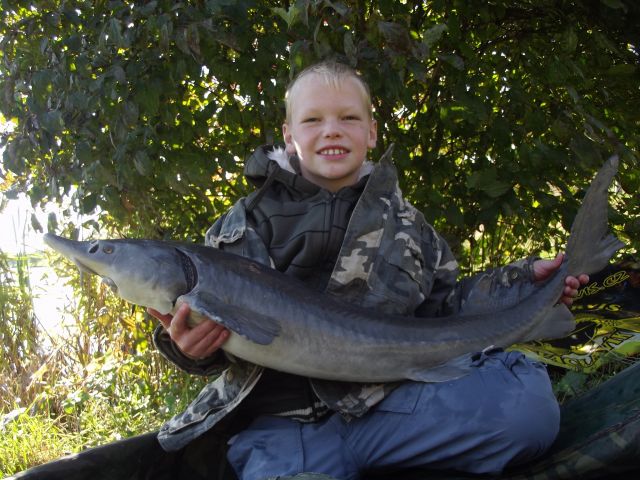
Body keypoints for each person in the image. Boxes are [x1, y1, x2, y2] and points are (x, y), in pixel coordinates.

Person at [148, 60, 589, 480]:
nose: (332, 131)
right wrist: (188, 349)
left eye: (349, 118)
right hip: (282, 429)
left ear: (372, 132)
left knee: (527, 410)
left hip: (393, 409)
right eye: (312, 120)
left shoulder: (411, 227)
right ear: (288, 135)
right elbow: (206, 342)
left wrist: (519, 285)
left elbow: (447, 308)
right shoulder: (238, 229)